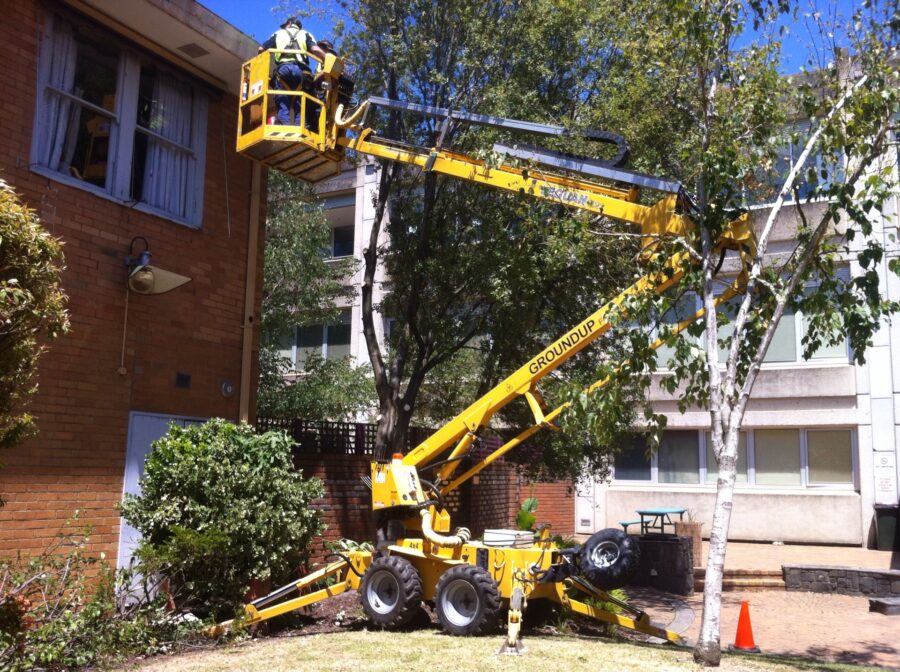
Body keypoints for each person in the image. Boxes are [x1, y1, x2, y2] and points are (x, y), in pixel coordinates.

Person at [258, 16, 326, 126]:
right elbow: (315, 50)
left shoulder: (278, 33)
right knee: (300, 104)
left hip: (283, 71)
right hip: (301, 72)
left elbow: (261, 49)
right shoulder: (305, 34)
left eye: (286, 25)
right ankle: (300, 129)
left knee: (283, 102)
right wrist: (329, 61)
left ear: (289, 24)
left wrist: (260, 67)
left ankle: (283, 126)